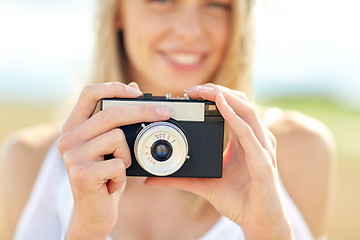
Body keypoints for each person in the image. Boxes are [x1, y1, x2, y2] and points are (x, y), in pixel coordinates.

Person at [0, 0, 336, 239]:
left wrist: (269, 235)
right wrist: (86, 231)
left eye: (216, 4)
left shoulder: (295, 151)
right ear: (118, 11)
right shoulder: (31, 162)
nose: (190, 31)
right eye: (162, 0)